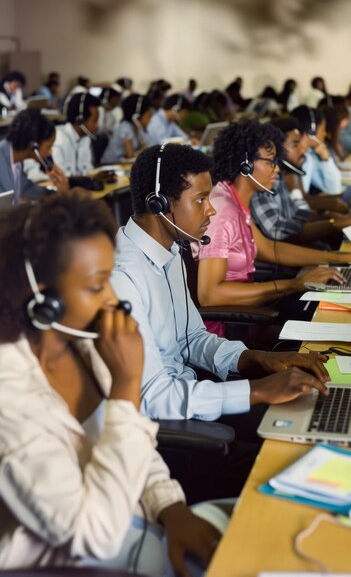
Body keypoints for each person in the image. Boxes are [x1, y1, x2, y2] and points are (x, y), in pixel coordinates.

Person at [0, 192, 227, 576]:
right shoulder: (11, 396)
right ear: (39, 297)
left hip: (139, 530)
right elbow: (95, 534)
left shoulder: (83, 343)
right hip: (79, 562)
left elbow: (131, 443)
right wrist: (126, 386)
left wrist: (169, 506)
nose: (113, 299)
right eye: (96, 285)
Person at [111, 143, 331, 500]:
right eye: (200, 200)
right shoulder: (123, 277)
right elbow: (155, 398)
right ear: (159, 204)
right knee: (291, 464)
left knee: (306, 419)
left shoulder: (169, 250)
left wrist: (256, 359)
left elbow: (191, 338)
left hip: (192, 398)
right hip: (169, 438)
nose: (211, 209)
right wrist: (257, 390)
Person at [193, 121, 349, 331]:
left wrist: (337, 259)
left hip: (247, 309)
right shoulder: (223, 210)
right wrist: (293, 284)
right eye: (270, 162)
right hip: (229, 327)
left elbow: (268, 248)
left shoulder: (233, 199)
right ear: (245, 165)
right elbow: (210, 295)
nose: (276, 168)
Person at [250, 117, 351, 245]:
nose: (303, 149)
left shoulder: (278, 177)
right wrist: (334, 223)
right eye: (295, 144)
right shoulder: (261, 186)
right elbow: (279, 231)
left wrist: (331, 218)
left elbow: (294, 213)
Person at [0, 109, 68, 202]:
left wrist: (57, 193)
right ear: (34, 145)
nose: (50, 152)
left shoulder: (17, 161)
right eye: (48, 147)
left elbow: (26, 188)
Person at [101, 94, 152, 164]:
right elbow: (130, 157)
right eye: (148, 117)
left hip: (122, 164)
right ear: (136, 117)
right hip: (111, 165)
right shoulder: (125, 127)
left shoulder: (138, 127)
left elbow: (145, 148)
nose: (151, 120)